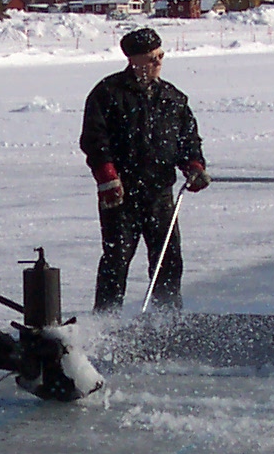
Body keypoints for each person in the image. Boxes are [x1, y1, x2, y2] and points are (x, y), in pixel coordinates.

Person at [80, 25, 208, 314]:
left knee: (169, 261)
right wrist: (108, 177)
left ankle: (167, 320)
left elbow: (188, 139)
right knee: (116, 262)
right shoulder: (107, 93)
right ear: (133, 60)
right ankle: (106, 323)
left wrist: (194, 166)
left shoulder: (173, 98)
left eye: (161, 55)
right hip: (120, 196)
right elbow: (94, 140)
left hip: (159, 195)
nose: (158, 62)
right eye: (151, 58)